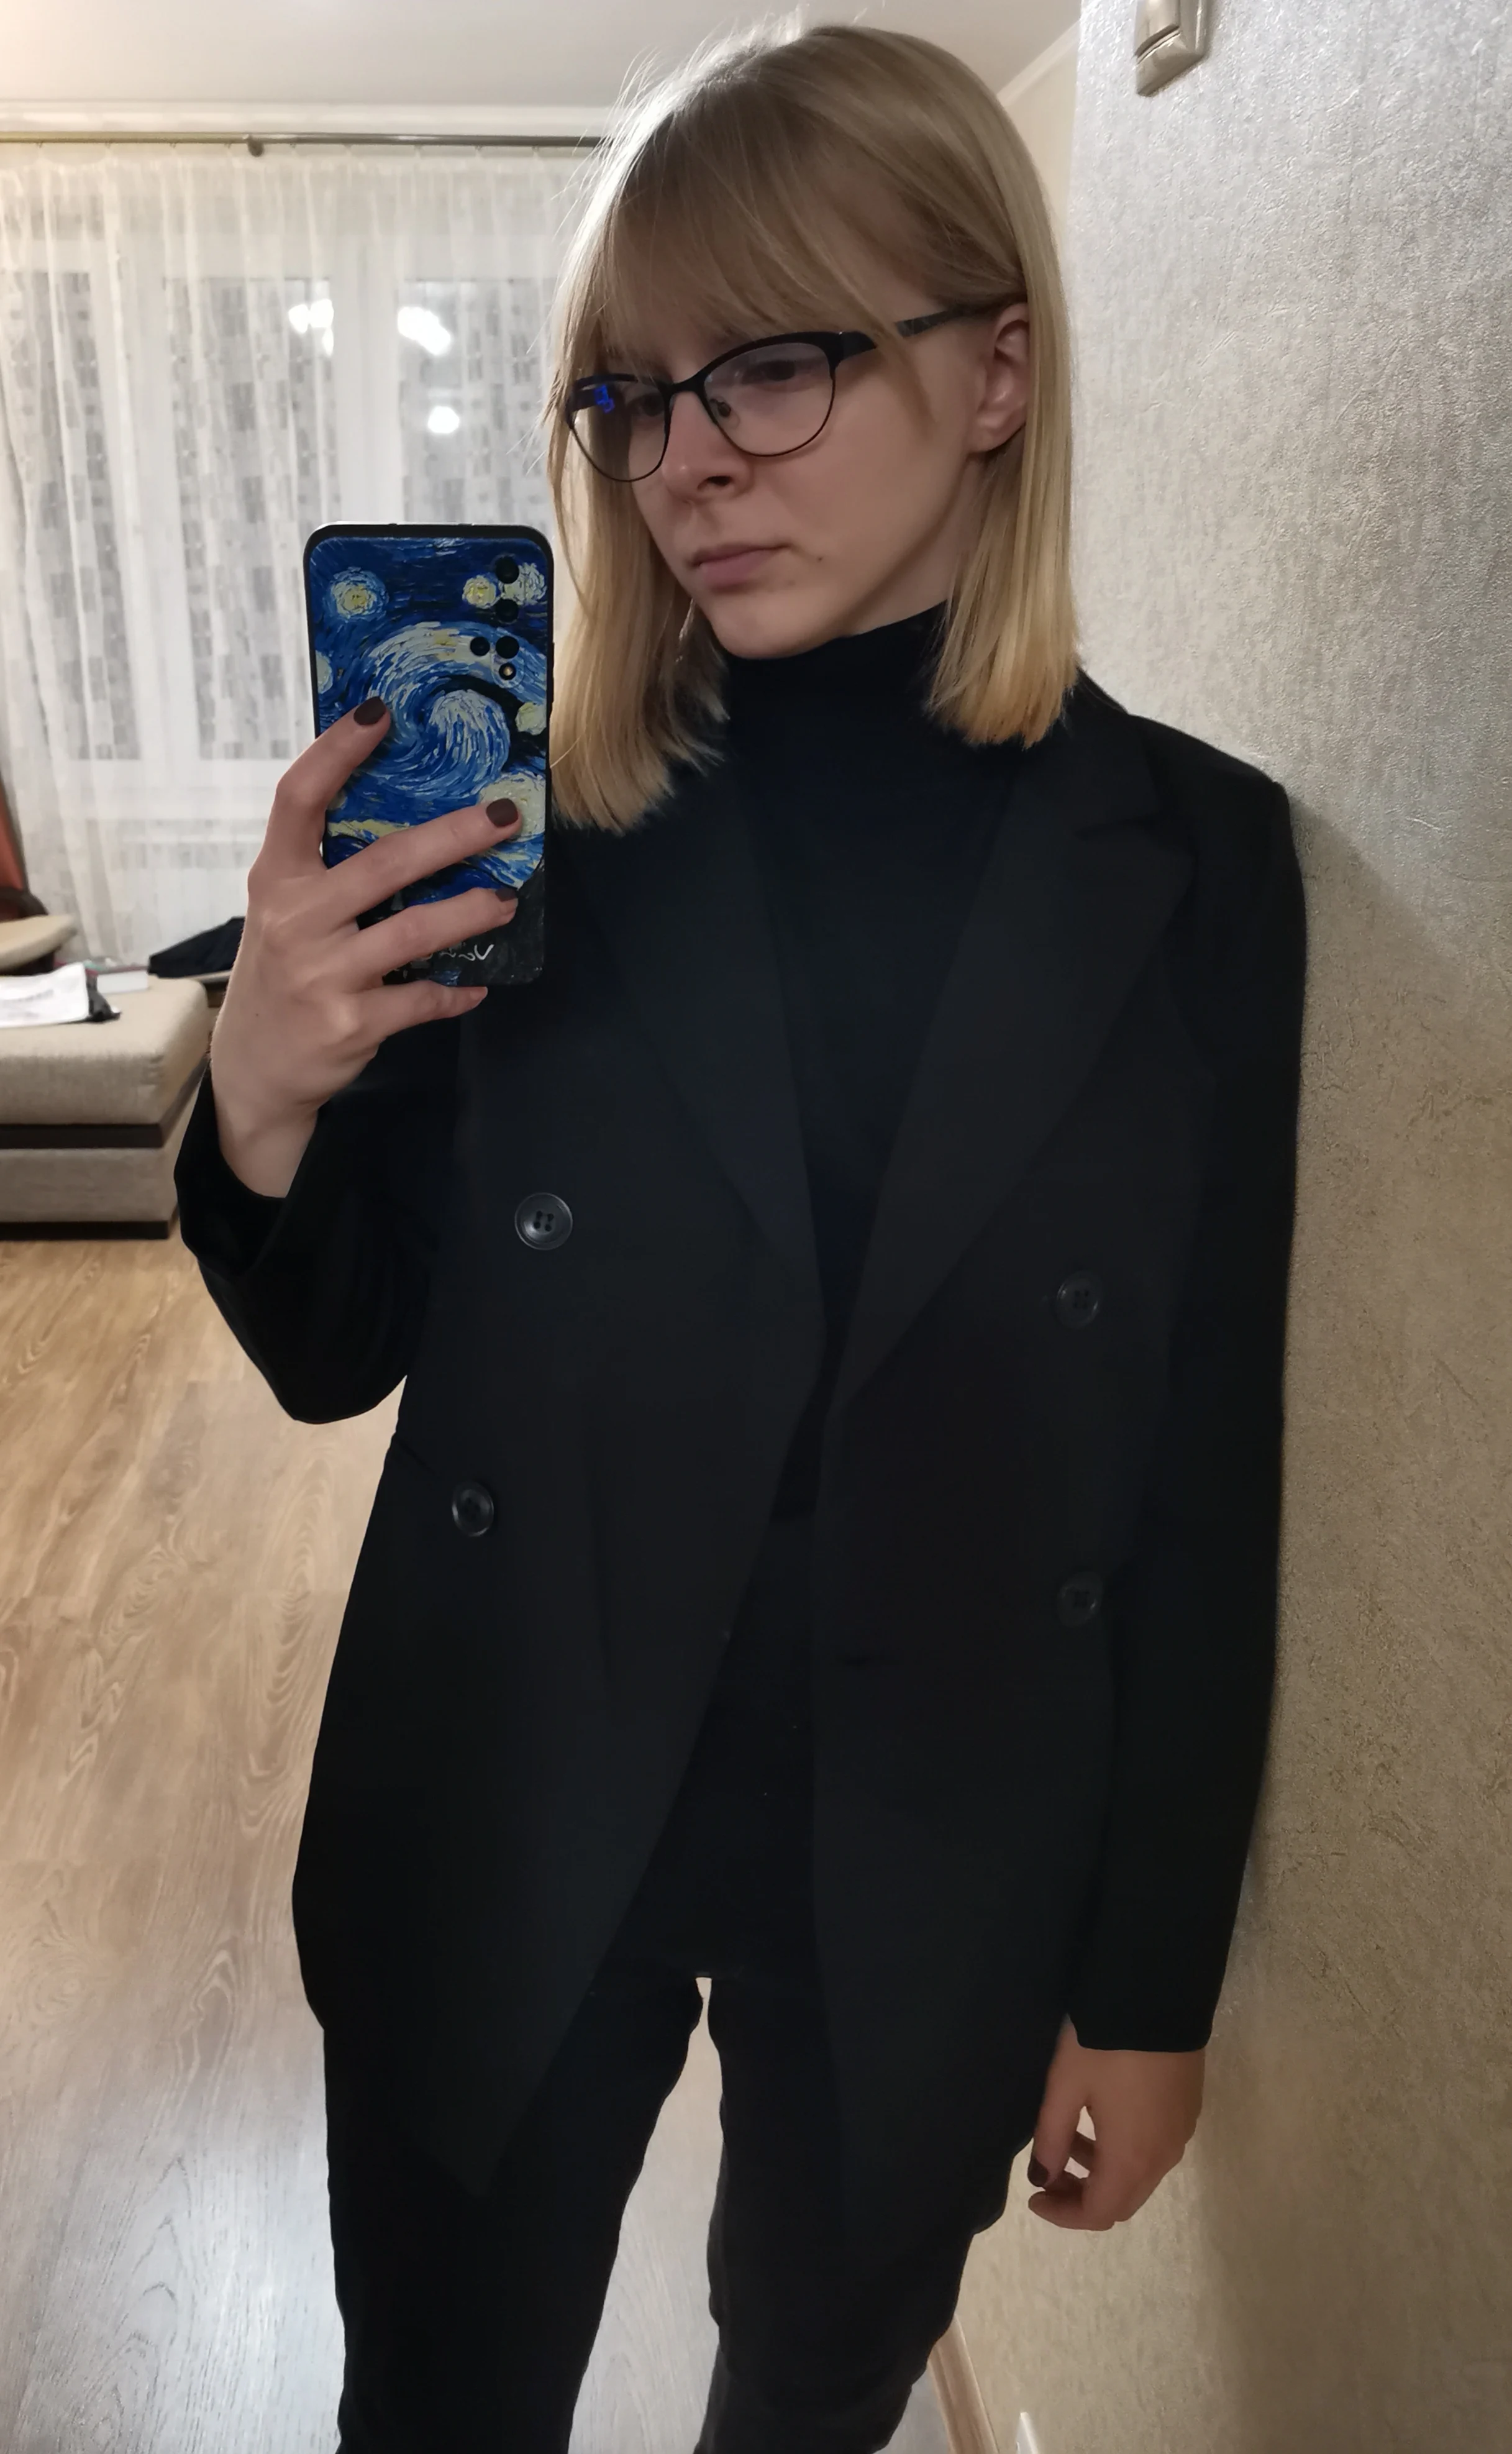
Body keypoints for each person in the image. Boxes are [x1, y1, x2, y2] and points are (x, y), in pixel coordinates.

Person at [175, 22, 1308, 2454]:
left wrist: (1147, 1980)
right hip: (515, 1777)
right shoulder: (529, 839)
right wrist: (260, 1090)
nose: (683, 459)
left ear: (995, 370)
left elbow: (1202, 1464)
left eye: (770, 366)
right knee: (438, 2407)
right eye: (627, 397)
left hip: (933, 1823)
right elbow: (340, 1345)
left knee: (813, 2396)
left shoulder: (1198, 865)